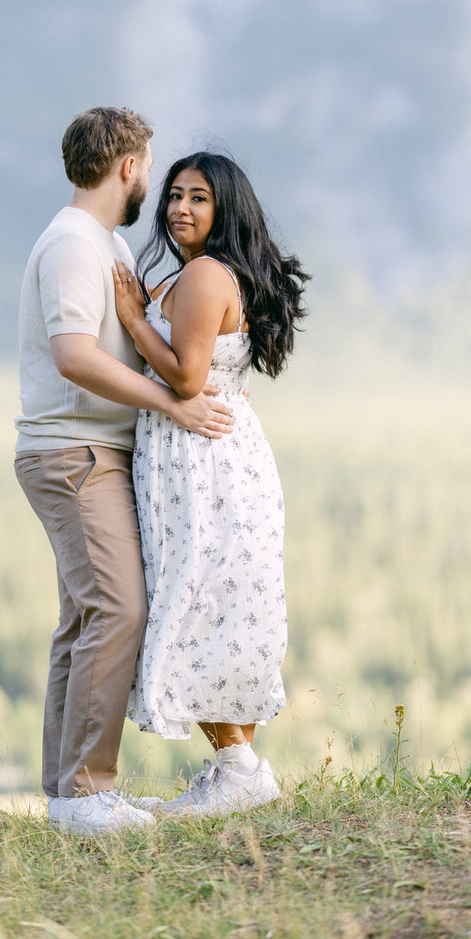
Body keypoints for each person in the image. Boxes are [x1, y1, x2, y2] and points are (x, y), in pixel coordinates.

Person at [14, 109, 234, 836]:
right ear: (130, 168)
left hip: (90, 449)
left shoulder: (96, 240)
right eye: (152, 170)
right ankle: (86, 792)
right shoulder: (77, 243)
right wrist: (174, 405)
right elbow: (73, 355)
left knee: (84, 618)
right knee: (119, 609)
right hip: (74, 451)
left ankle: (66, 792)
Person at [112, 151, 308, 817]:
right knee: (214, 602)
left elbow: (186, 378)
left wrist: (135, 318)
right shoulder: (213, 273)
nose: (178, 209)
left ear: (224, 208)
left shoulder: (201, 275)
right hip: (212, 454)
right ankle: (236, 772)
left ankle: (238, 768)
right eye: (172, 195)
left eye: (197, 197)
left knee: (194, 599)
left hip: (198, 460)